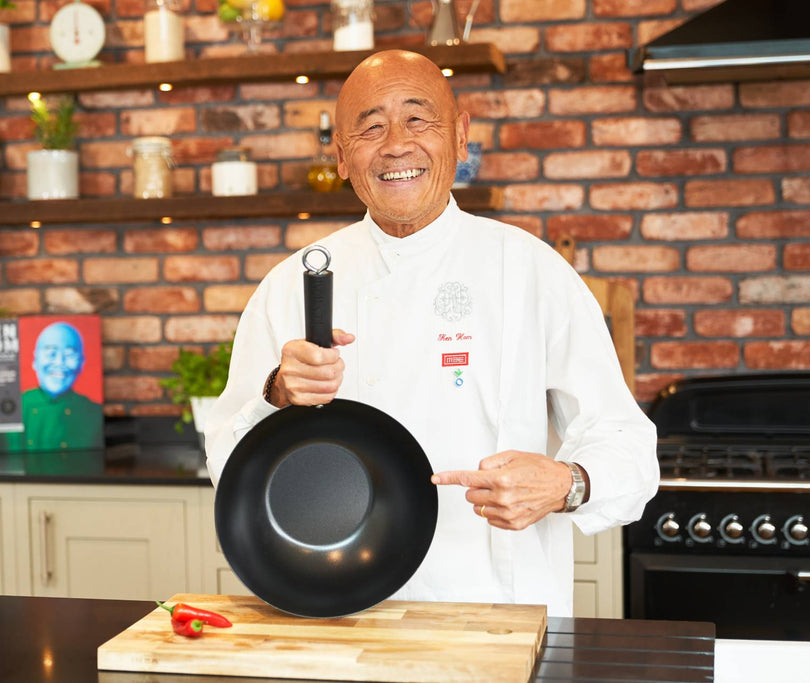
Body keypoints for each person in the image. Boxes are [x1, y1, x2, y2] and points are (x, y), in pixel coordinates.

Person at [204, 50, 658, 617]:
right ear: (342, 157)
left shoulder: (530, 271)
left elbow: (629, 448)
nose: (396, 143)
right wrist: (278, 394)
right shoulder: (293, 282)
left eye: (419, 119)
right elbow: (226, 459)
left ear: (461, 138)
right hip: (342, 617)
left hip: (499, 614)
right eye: (370, 127)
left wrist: (568, 483)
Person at [0, 321, 103, 453]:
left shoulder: (94, 414)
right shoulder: (8, 408)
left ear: (82, 363)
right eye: (51, 353)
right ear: (35, 360)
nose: (59, 362)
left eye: (69, 355)